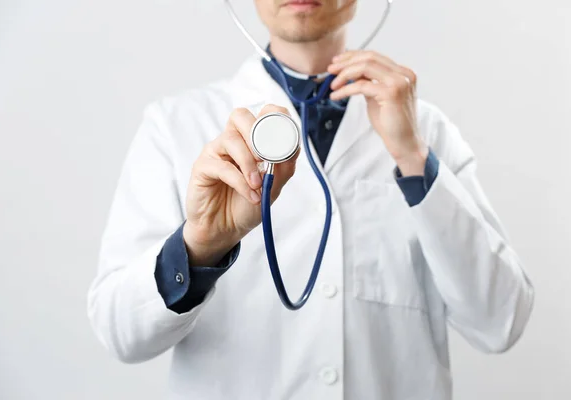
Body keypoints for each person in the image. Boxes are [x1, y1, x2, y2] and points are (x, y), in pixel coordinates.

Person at [87, 1, 534, 399]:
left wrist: (414, 160)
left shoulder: (425, 132)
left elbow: (501, 321)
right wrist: (199, 248)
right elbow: (119, 330)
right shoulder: (175, 126)